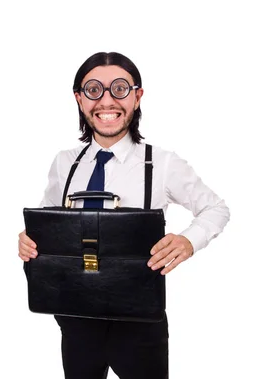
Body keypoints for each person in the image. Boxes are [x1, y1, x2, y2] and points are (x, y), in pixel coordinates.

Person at [17, 52, 230, 379]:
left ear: (136, 96)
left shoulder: (162, 163)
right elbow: (50, 224)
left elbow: (216, 208)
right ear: (79, 99)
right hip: (76, 317)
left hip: (139, 323)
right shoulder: (65, 162)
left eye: (119, 89)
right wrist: (30, 242)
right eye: (93, 90)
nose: (106, 101)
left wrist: (189, 240)